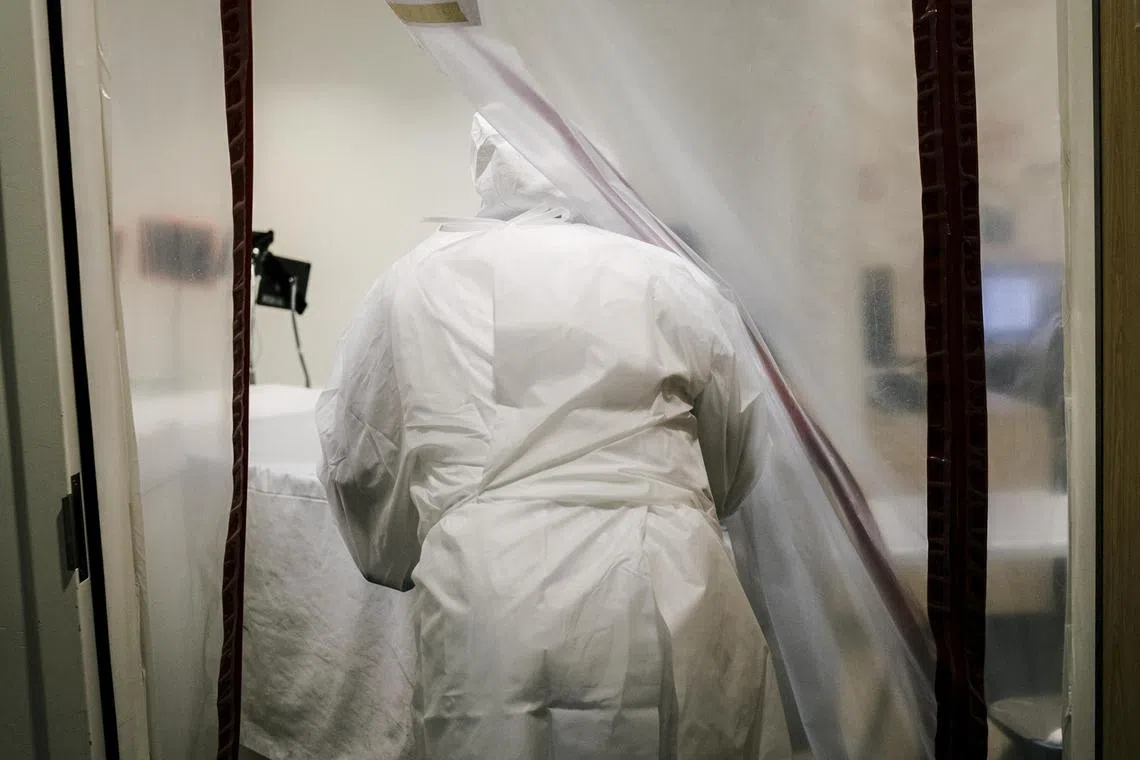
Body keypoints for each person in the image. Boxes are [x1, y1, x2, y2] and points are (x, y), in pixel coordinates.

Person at [317, 115, 790, 759]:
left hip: (491, 586)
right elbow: (736, 449)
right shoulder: (675, 280)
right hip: (669, 574)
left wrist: (397, 556)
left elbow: (362, 460)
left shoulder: (415, 280)